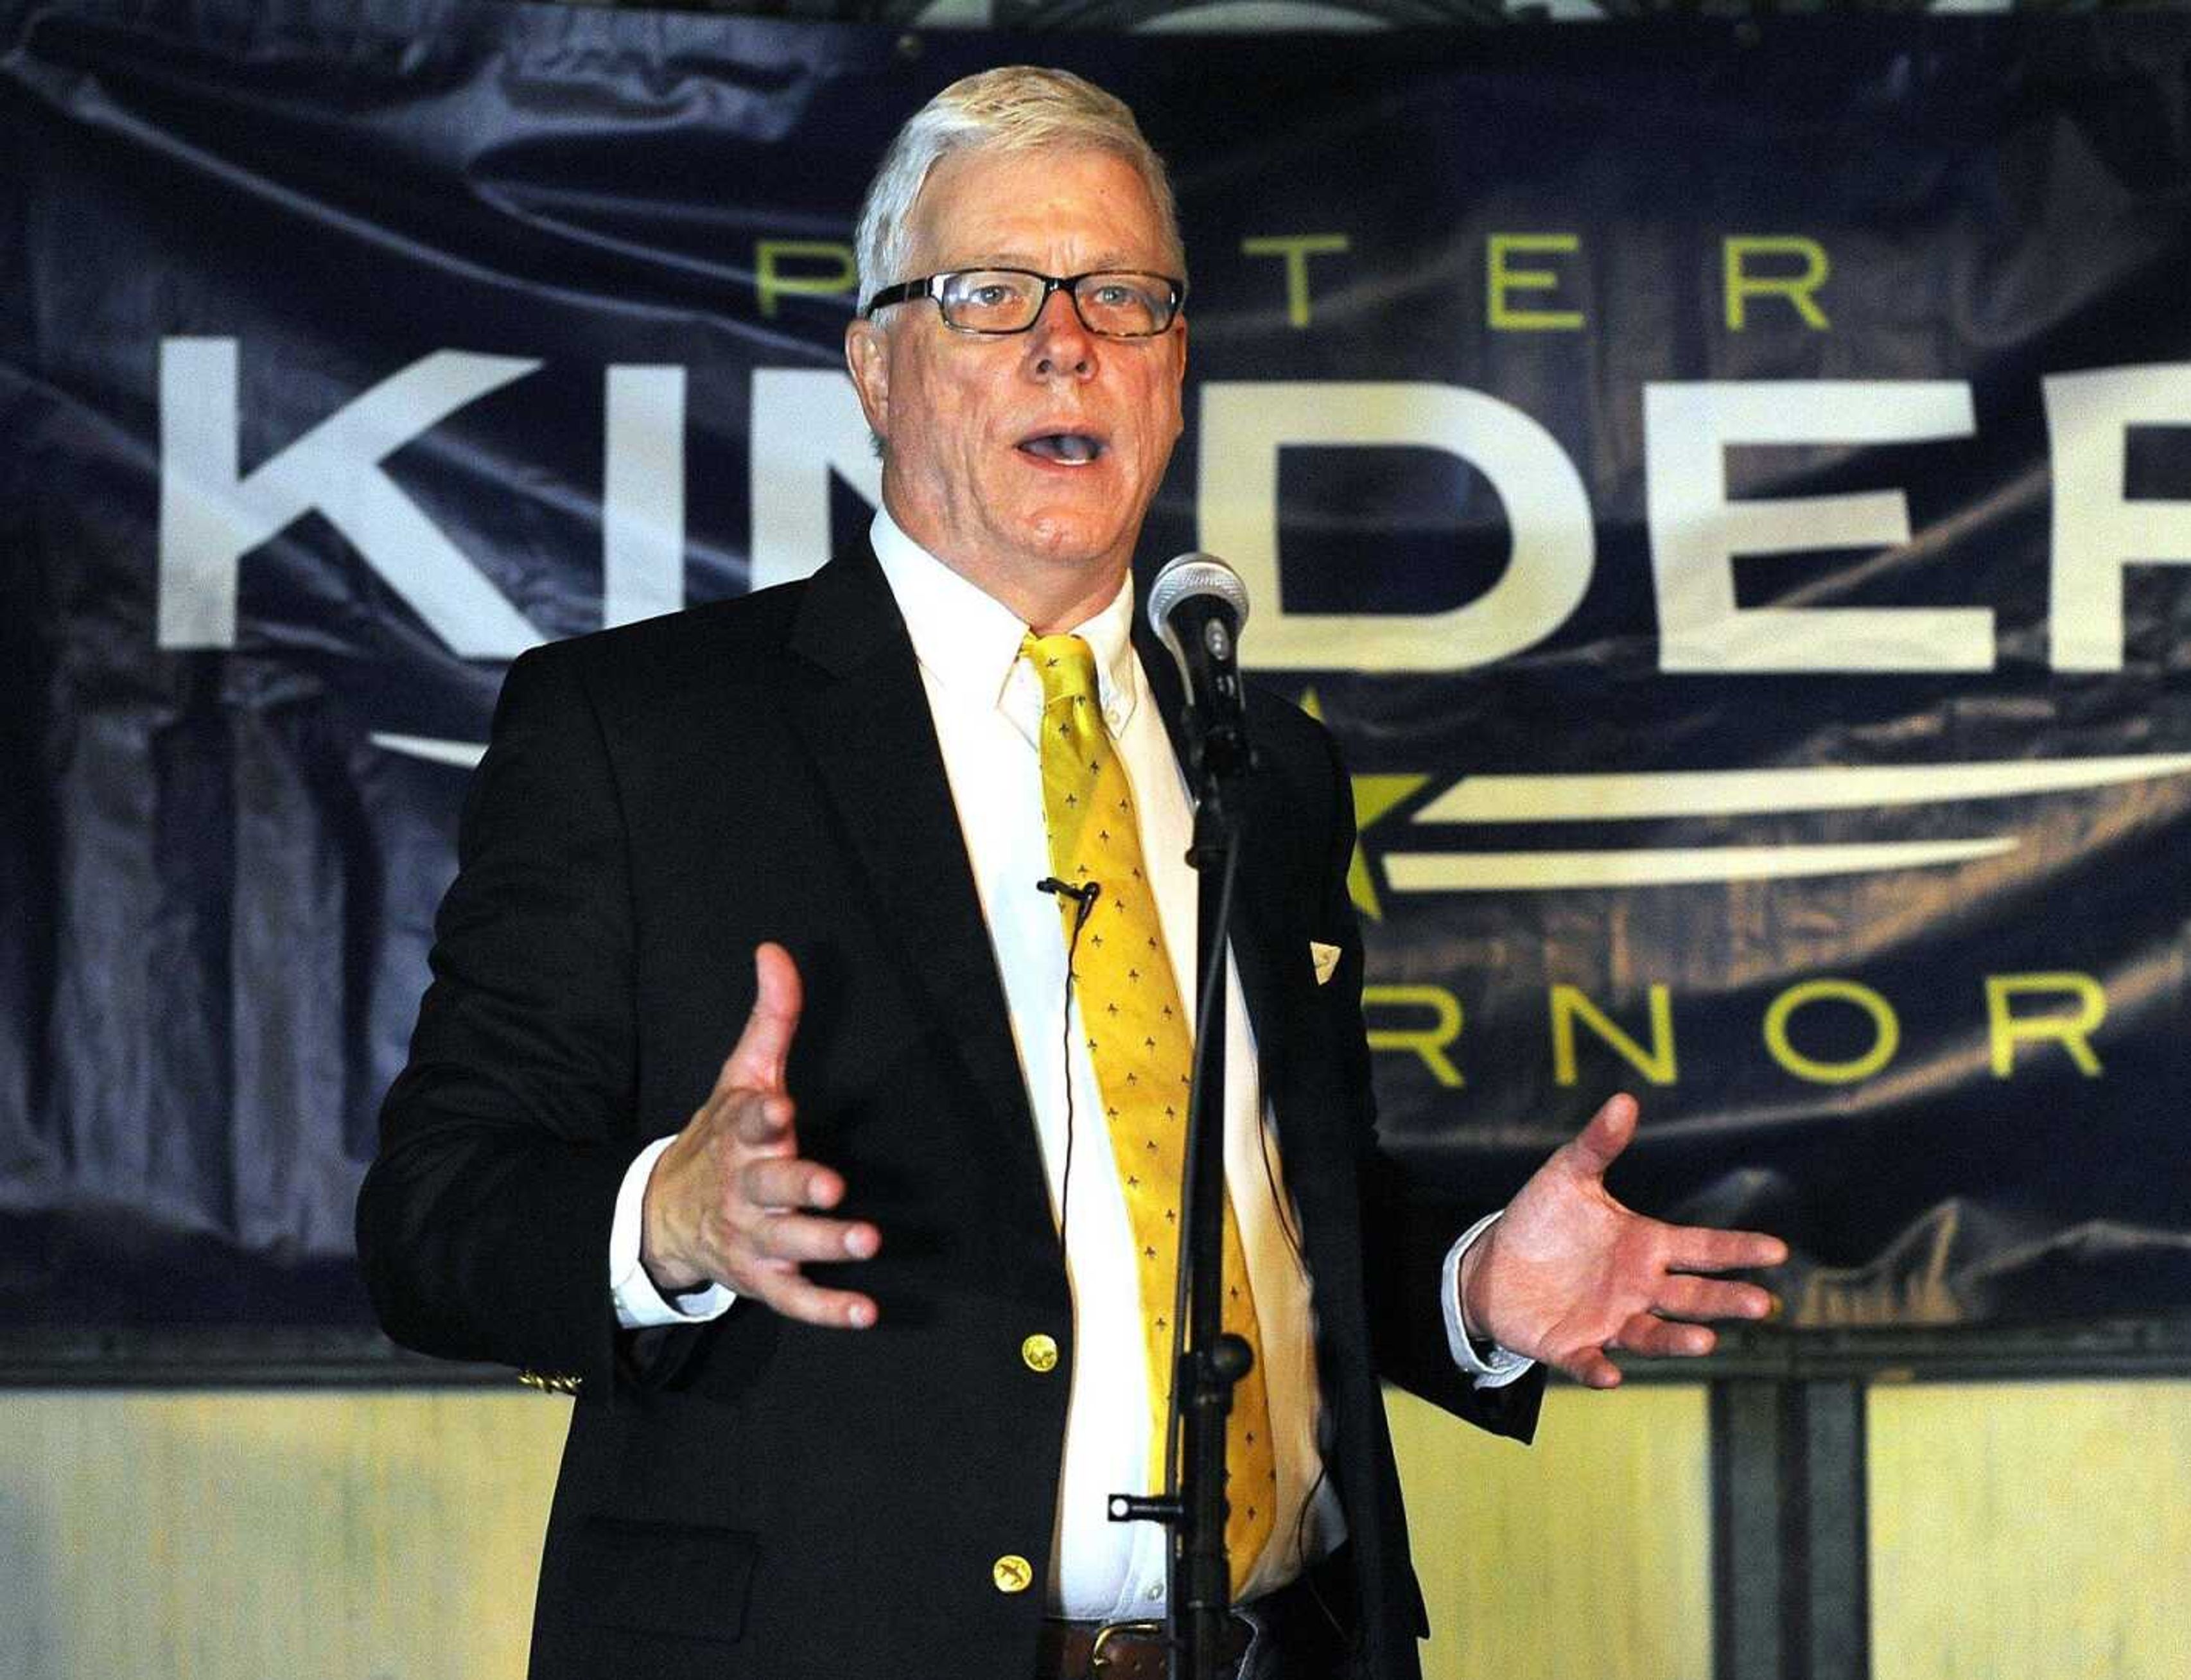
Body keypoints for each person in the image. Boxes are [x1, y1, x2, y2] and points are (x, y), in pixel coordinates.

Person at [356, 66, 1786, 1680]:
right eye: (989, 295)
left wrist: (1466, 1289)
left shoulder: (1270, 763)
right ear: (876, 370)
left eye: (1123, 296)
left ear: (1172, 377)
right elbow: (432, 1224)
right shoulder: (640, 734)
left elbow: (1241, 1208)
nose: (1068, 340)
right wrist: (669, 1221)